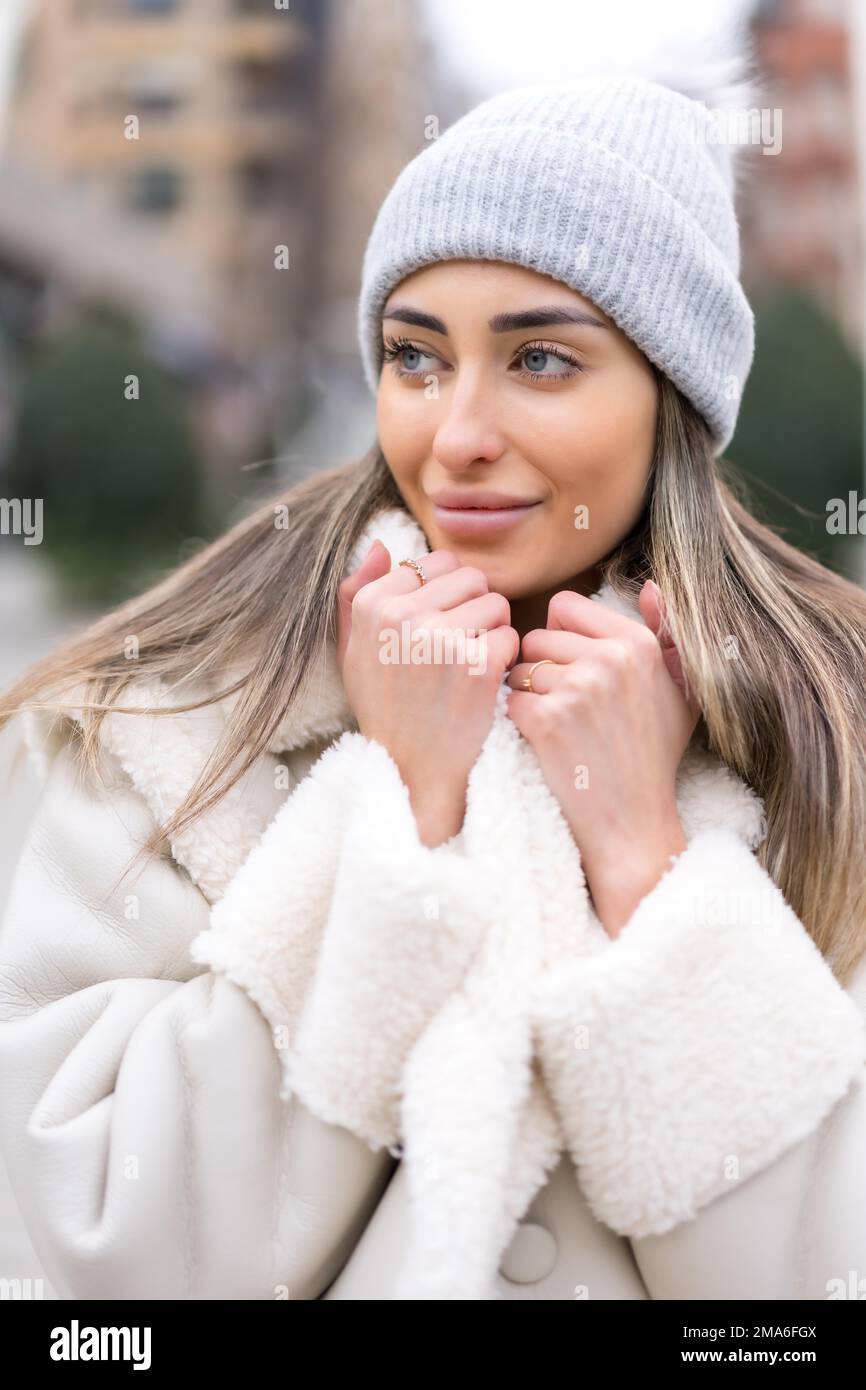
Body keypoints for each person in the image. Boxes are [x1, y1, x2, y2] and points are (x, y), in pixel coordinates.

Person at [1, 67, 865, 1302]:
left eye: (542, 361)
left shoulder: (829, 736)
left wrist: (643, 858)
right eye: (415, 356)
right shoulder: (178, 711)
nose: (454, 430)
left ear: (670, 395)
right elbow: (114, 1263)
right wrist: (397, 803)